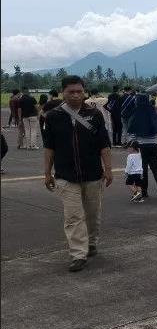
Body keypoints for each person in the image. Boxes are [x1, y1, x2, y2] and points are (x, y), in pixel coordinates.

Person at [43, 76, 113, 272]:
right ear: (62, 92)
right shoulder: (53, 116)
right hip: (65, 175)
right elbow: (49, 147)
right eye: (71, 91)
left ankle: (91, 243)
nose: (75, 95)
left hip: (92, 174)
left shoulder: (95, 115)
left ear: (84, 92)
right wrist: (47, 172)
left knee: (92, 213)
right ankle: (78, 254)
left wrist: (108, 170)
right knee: (73, 216)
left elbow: (104, 145)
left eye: (79, 91)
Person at [123, 92, 157, 200]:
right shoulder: (152, 112)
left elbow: (132, 133)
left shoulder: (136, 114)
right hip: (154, 145)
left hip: (141, 146)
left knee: (143, 169)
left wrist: (132, 145)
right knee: (156, 168)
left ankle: (143, 191)